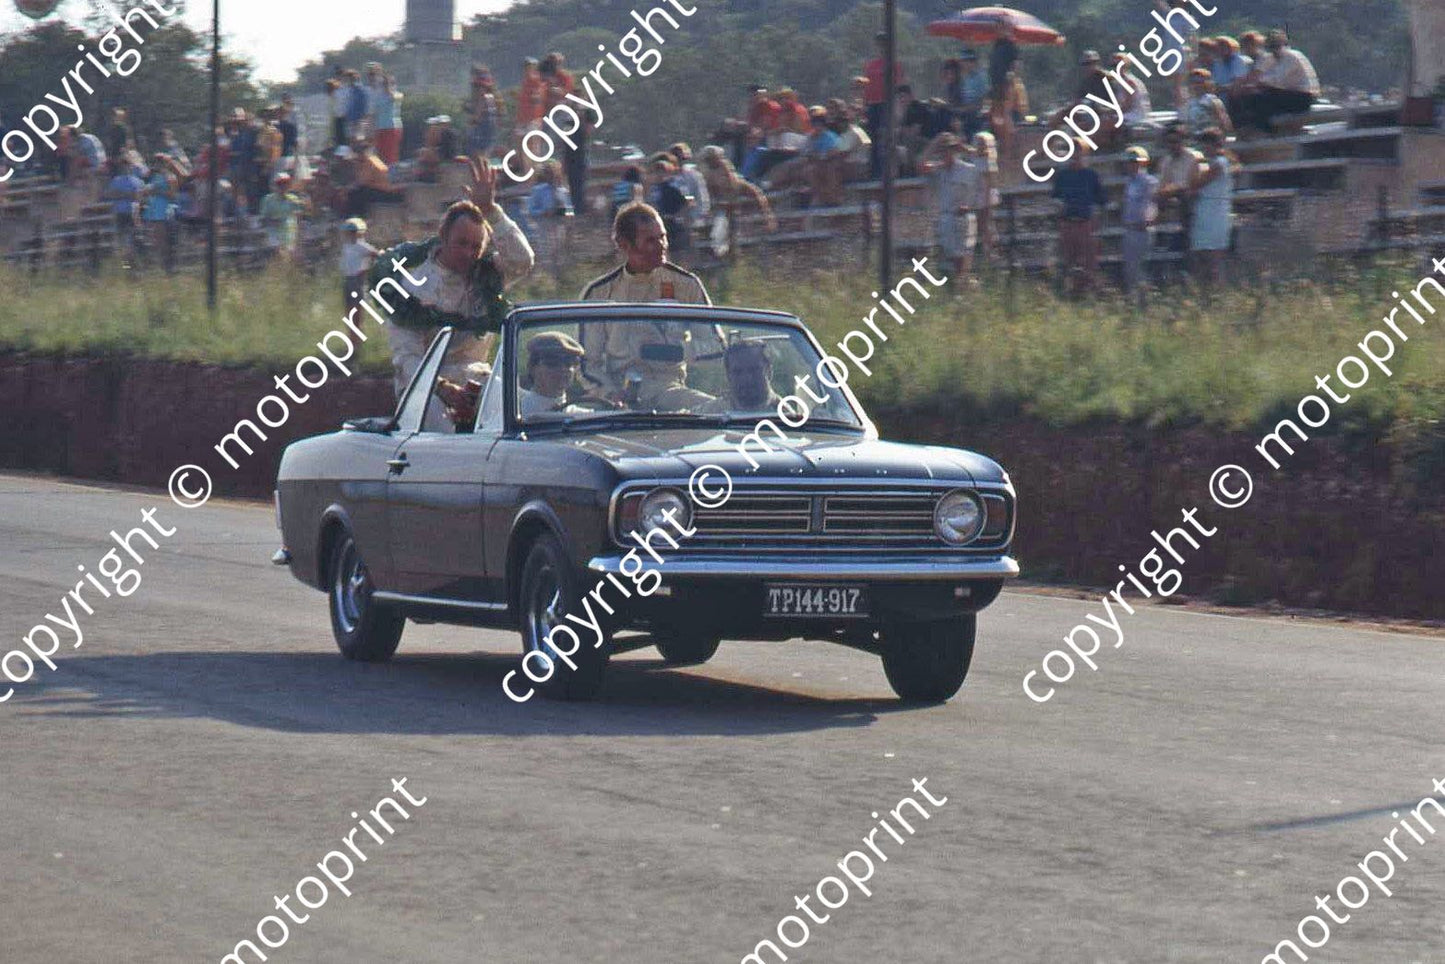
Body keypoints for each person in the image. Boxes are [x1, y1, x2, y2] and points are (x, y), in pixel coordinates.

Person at [369, 156, 535, 398]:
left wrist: (491, 211)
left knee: (521, 407)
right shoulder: (413, 285)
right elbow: (407, 359)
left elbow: (523, 260)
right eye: (461, 243)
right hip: (424, 391)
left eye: (475, 246)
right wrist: (445, 391)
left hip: (478, 381)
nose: (468, 253)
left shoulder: (487, 274)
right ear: (443, 238)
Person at [579, 202, 714, 405]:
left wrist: (674, 351)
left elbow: (714, 346)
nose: (662, 245)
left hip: (672, 392)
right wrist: (610, 394)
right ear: (625, 244)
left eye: (663, 236)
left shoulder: (687, 284)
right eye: (651, 240)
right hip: (617, 400)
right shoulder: (598, 292)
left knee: (719, 410)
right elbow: (587, 364)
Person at [919, 133, 979, 283]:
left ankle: (963, 283)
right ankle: (961, 285)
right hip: (946, 217)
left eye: (948, 150)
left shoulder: (968, 169)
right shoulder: (939, 170)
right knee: (951, 255)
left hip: (963, 216)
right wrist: (935, 142)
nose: (945, 154)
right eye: (942, 151)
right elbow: (921, 164)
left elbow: (977, 192)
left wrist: (969, 206)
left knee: (963, 255)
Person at [1050, 138, 1105, 297]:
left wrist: (1094, 223)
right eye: (1071, 150)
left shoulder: (1091, 175)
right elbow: (1055, 198)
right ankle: (1071, 295)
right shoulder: (1062, 176)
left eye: (1078, 150)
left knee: (1087, 263)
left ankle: (1088, 296)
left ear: (1084, 153)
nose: (1074, 154)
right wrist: (1060, 214)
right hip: (1067, 224)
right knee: (1069, 262)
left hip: (1085, 225)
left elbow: (1101, 201)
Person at [1235, 30, 1319, 133]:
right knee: (1250, 97)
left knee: (1257, 98)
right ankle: (1252, 127)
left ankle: (1266, 130)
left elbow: (1277, 80)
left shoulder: (1290, 56)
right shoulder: (1278, 59)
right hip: (1293, 94)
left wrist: (1256, 84)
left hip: (1304, 96)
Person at [1189, 127, 1237, 288]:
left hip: (1215, 213)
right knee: (1202, 255)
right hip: (1206, 212)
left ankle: (1217, 292)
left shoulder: (1219, 164)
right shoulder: (1213, 164)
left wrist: (1194, 165)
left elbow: (1197, 183)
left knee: (1214, 258)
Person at [1155, 123, 1203, 255]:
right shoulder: (1166, 161)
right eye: (1169, 142)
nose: (1172, 145)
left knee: (1183, 196)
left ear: (1182, 141)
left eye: (1176, 141)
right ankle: (1161, 238)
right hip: (1174, 197)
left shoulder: (1194, 157)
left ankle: (1182, 240)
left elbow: (1195, 183)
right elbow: (1162, 185)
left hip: (1193, 196)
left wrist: (1174, 190)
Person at [1119, 145, 1158, 302]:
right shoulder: (1130, 182)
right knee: (1130, 269)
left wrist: (1146, 220)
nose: (1131, 164)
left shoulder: (1149, 181)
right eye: (1129, 161)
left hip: (1142, 230)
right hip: (1130, 229)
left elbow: (1151, 204)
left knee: (1139, 269)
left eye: (1135, 161)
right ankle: (1133, 301)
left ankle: (1144, 302)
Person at [699, 341, 782, 413]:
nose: (746, 378)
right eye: (737, 372)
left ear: (769, 372)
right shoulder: (710, 413)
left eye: (753, 370)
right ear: (728, 376)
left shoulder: (786, 418)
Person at [863, 31, 905, 178]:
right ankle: (874, 170)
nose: (882, 47)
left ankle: (887, 170)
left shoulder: (895, 64)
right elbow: (867, 86)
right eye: (879, 44)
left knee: (885, 136)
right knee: (873, 137)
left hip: (887, 104)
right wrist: (865, 104)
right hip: (872, 104)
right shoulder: (871, 65)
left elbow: (898, 85)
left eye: (884, 43)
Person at [519, 332, 588, 417]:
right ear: (532, 368)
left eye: (568, 363)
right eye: (552, 363)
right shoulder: (518, 413)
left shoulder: (583, 416)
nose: (563, 369)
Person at [526, 161, 573, 275]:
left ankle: (560, 277)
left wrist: (565, 214)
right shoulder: (538, 191)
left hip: (560, 225)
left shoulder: (563, 191)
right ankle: (547, 277)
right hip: (544, 226)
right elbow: (531, 210)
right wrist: (544, 212)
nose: (552, 176)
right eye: (549, 173)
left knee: (560, 253)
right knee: (546, 253)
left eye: (555, 173)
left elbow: (570, 209)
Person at [346, 141, 405, 217]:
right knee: (358, 192)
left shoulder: (370, 162)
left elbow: (363, 181)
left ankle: (358, 216)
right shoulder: (373, 160)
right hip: (379, 189)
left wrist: (350, 187)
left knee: (357, 193)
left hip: (384, 191)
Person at [103, 158, 145, 262]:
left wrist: (121, 194)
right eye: (123, 165)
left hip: (133, 213)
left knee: (133, 238)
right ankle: (125, 265)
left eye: (127, 165)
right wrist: (128, 195)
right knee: (121, 239)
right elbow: (110, 194)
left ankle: (135, 263)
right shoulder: (116, 180)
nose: (125, 167)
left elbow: (139, 197)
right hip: (120, 212)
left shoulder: (137, 181)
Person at [259, 172, 307, 262]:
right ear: (275, 185)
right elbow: (263, 219)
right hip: (274, 234)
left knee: (291, 258)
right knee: (279, 256)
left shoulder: (293, 199)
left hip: (290, 233)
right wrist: (273, 221)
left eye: (285, 184)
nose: (283, 186)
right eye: (280, 184)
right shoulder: (268, 200)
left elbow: (301, 214)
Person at [141, 156, 177, 272]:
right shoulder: (155, 177)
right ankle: (154, 265)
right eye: (156, 162)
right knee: (153, 240)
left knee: (162, 240)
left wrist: (159, 192)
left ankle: (166, 266)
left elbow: (172, 194)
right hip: (152, 209)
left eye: (161, 162)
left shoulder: (170, 177)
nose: (158, 165)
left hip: (162, 209)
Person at [339, 217, 379, 316]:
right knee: (348, 309)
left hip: (357, 279)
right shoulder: (346, 245)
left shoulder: (361, 246)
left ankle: (356, 329)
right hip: (347, 279)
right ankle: (351, 330)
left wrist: (368, 268)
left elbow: (376, 254)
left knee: (356, 308)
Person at [972, 130, 1000, 264]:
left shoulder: (988, 161)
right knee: (981, 225)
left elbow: (990, 183)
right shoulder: (975, 159)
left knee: (987, 224)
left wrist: (987, 201)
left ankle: (990, 253)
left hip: (985, 194)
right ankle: (985, 252)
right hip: (977, 194)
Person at [1182, 68, 1232, 139]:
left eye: (1199, 82)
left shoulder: (1212, 100)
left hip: (1210, 139)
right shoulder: (1189, 102)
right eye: (1193, 82)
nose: (1196, 85)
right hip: (1194, 139)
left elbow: (1225, 123)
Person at [465, 65, 499, 155]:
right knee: (486, 149)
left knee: (478, 151)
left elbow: (480, 104)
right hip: (491, 124)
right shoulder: (491, 95)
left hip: (483, 124)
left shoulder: (480, 90)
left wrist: (474, 119)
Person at [372, 74, 403, 165]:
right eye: (383, 84)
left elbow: (394, 97)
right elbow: (374, 112)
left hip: (392, 127)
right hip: (379, 128)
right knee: (381, 154)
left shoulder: (398, 94)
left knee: (391, 154)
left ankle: (392, 174)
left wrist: (389, 87)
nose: (384, 86)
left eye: (386, 83)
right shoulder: (378, 97)